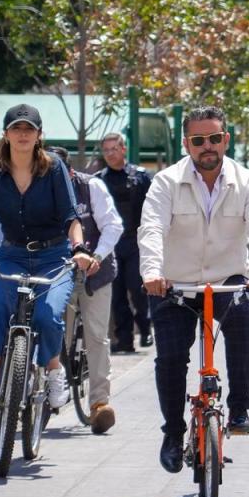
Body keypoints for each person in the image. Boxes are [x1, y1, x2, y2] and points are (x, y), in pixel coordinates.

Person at [138, 106, 249, 474]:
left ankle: (240, 408)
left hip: (227, 281)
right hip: (176, 284)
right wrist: (152, 272)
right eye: (199, 141)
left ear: (225, 139)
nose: (208, 147)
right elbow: (151, 229)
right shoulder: (166, 182)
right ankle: (172, 432)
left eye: (215, 138)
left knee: (242, 326)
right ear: (187, 144)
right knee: (170, 358)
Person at [0, 104, 94, 408]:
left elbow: (70, 216)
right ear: (6, 134)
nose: (22, 134)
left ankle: (53, 373)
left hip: (54, 256)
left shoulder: (54, 168)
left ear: (39, 135)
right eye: (16, 129)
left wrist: (78, 248)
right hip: (11, 254)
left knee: (46, 315)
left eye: (29, 129)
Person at [48, 147, 124, 434]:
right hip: (57, 273)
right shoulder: (34, 188)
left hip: (96, 272)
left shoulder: (91, 186)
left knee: (96, 335)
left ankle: (99, 403)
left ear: (69, 172)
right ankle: (48, 389)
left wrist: (99, 256)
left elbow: (113, 226)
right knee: (53, 331)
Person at [96, 132, 154, 352]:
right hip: (111, 244)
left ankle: (145, 328)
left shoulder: (140, 176)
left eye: (114, 149)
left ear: (123, 149)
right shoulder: (99, 180)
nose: (110, 154)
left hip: (136, 242)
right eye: (106, 150)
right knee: (117, 294)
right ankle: (125, 340)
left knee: (138, 289)